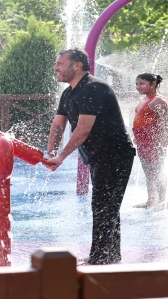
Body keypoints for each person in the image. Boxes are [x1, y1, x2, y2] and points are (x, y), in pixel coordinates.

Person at [45, 48, 136, 266]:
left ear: (76, 65)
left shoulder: (93, 88)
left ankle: (100, 258)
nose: (55, 68)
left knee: (104, 204)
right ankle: (109, 255)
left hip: (115, 154)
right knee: (107, 204)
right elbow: (58, 125)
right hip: (99, 156)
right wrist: (50, 153)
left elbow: (83, 129)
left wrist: (62, 156)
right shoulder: (69, 93)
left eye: (60, 63)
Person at [132, 73, 168, 210]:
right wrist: (136, 136)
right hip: (143, 142)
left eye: (142, 84)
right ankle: (151, 200)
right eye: (137, 84)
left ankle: (163, 200)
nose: (138, 87)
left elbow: (166, 121)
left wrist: (165, 140)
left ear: (153, 84)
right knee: (148, 172)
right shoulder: (144, 100)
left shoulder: (157, 100)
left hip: (154, 141)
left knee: (158, 170)